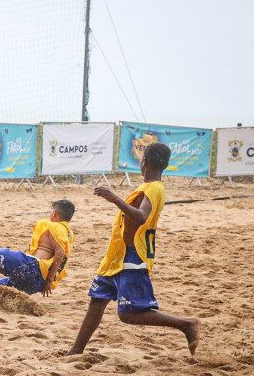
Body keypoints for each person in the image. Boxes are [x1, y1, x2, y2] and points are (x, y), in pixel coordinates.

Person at [66, 142, 200, 356]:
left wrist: (114, 198)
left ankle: (186, 324)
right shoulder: (148, 187)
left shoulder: (155, 188)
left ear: (144, 162)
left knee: (128, 314)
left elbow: (141, 216)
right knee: (97, 300)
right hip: (116, 256)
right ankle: (75, 350)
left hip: (133, 256)